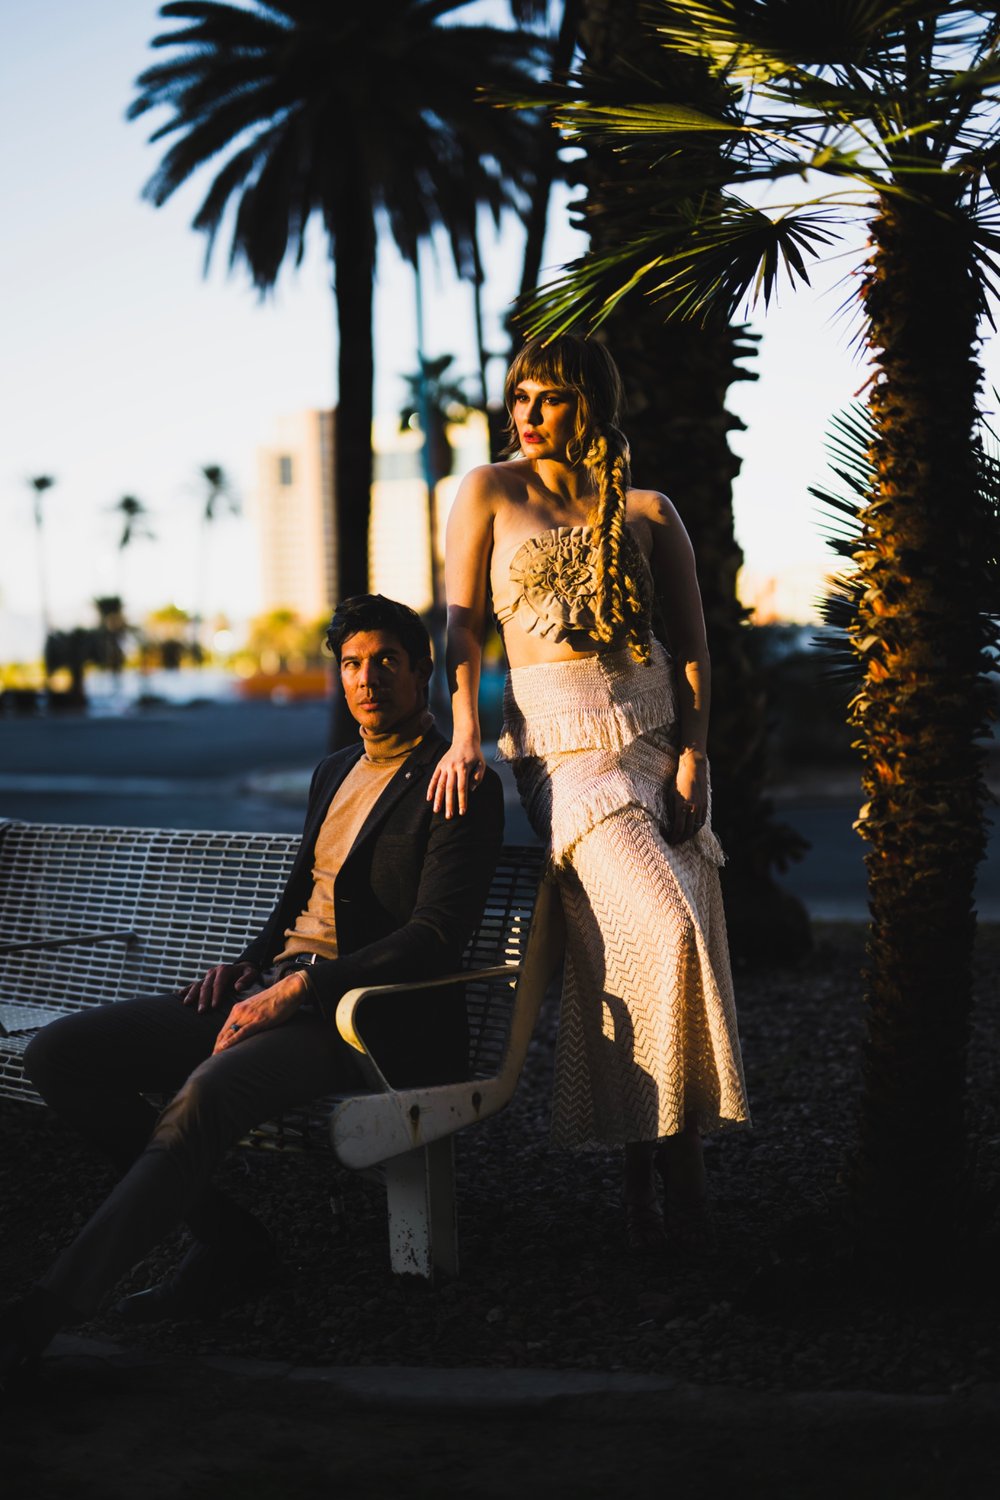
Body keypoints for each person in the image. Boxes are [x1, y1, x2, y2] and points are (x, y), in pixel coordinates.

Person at [2, 594, 504, 1392]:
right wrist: (247, 966)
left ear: (422, 672)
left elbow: (434, 934)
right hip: (276, 990)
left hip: (359, 1019)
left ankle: (43, 1313)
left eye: (385, 661)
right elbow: (299, 896)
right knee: (61, 1055)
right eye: (352, 663)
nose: (367, 678)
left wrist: (302, 987)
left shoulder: (456, 780)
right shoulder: (335, 769)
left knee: (206, 1093)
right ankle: (230, 1241)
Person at [428, 335, 749, 1252]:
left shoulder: (648, 510)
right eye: (520, 395)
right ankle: (683, 1168)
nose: (528, 414)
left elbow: (693, 647)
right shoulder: (488, 490)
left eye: (551, 397)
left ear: (592, 406)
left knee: (651, 946)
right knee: (668, 927)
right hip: (561, 754)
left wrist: (694, 758)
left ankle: (646, 1172)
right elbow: (461, 630)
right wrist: (463, 733)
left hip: (655, 740)